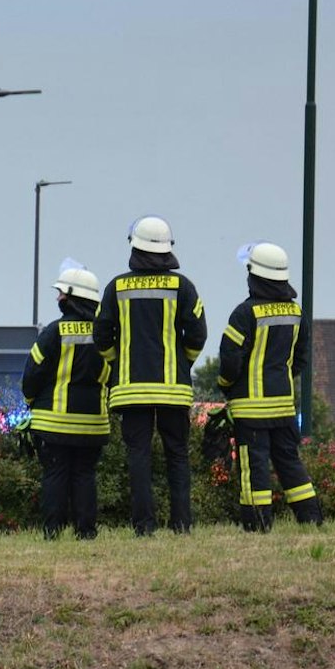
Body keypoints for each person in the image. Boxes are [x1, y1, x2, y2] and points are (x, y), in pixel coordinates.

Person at [92, 215, 207, 535]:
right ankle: (182, 525)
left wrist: (116, 363)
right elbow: (198, 333)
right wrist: (185, 362)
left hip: (131, 390)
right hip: (173, 389)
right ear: (168, 249)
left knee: (139, 459)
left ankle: (143, 526)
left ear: (135, 247)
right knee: (178, 456)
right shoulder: (183, 286)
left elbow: (101, 335)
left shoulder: (116, 287)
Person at [217, 242, 323, 531]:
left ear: (254, 275)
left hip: (250, 409)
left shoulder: (244, 313)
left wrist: (226, 386)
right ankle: (311, 519)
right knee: (289, 462)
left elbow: (229, 360)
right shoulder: (296, 313)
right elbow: (300, 359)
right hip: (283, 406)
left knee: (255, 469)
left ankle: (258, 525)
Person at [20, 261, 112, 539]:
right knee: (85, 476)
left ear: (73, 296)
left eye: (62, 293)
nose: (58, 297)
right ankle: (86, 532)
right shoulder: (106, 334)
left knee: (55, 476)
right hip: (93, 425)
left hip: (53, 423)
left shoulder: (53, 332)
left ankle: (52, 533)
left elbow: (32, 375)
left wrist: (29, 401)